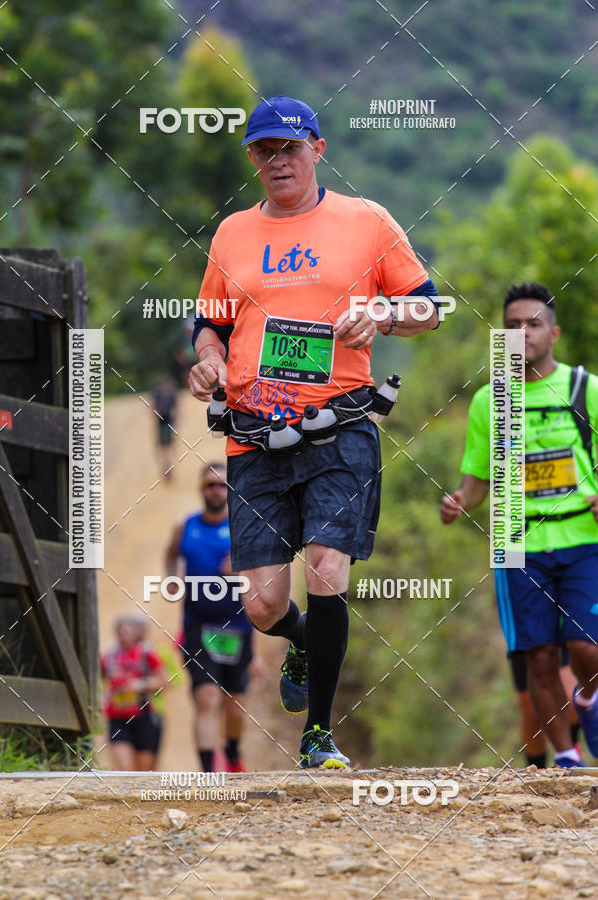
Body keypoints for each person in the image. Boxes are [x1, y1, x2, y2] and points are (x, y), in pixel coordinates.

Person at [188, 96, 440, 768]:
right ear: (252, 160)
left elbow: (431, 306)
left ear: (317, 150)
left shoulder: (367, 221)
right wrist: (209, 358)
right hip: (254, 436)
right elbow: (209, 322)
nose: (278, 162)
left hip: (342, 427)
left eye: (289, 148)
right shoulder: (231, 235)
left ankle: (318, 734)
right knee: (266, 604)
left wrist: (384, 313)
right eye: (264, 151)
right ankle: (300, 640)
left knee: (327, 568)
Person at [440, 282, 598, 768]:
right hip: (516, 542)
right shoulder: (492, 400)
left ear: (554, 332)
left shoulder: (584, 388)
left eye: (532, 324)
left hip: (583, 539)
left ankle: (589, 701)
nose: (521, 332)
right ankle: (568, 758)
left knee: (585, 648)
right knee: (539, 659)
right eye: (511, 326)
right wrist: (461, 500)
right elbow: (478, 478)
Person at [165, 462, 255, 773]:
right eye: (210, 484)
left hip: (238, 628)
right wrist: (171, 578)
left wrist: (242, 566)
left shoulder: (243, 527)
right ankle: (207, 776)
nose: (216, 490)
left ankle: (232, 753)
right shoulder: (186, 525)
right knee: (206, 700)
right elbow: (170, 553)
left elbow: (267, 571)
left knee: (234, 708)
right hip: (198, 626)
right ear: (201, 489)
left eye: (222, 485)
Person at [101, 615, 167, 771]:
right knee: (124, 771)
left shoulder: (146, 654)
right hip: (117, 718)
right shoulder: (108, 657)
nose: (124, 637)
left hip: (143, 717)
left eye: (128, 633)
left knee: (144, 773)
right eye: (121, 633)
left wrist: (140, 685)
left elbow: (163, 681)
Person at [151, 375, 178, 480]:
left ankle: (169, 467)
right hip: (161, 423)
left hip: (167, 423)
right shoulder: (158, 394)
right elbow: (153, 406)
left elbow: (176, 408)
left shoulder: (171, 395)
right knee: (163, 448)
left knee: (168, 447)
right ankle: (166, 467)